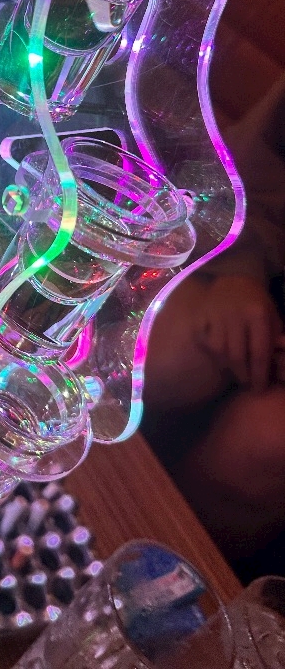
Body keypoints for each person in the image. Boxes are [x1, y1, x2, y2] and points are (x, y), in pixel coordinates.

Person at [143, 76, 285, 576]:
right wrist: (239, 273)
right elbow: (240, 181)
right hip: (263, 266)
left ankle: (149, 570)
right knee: (168, 359)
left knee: (264, 446)